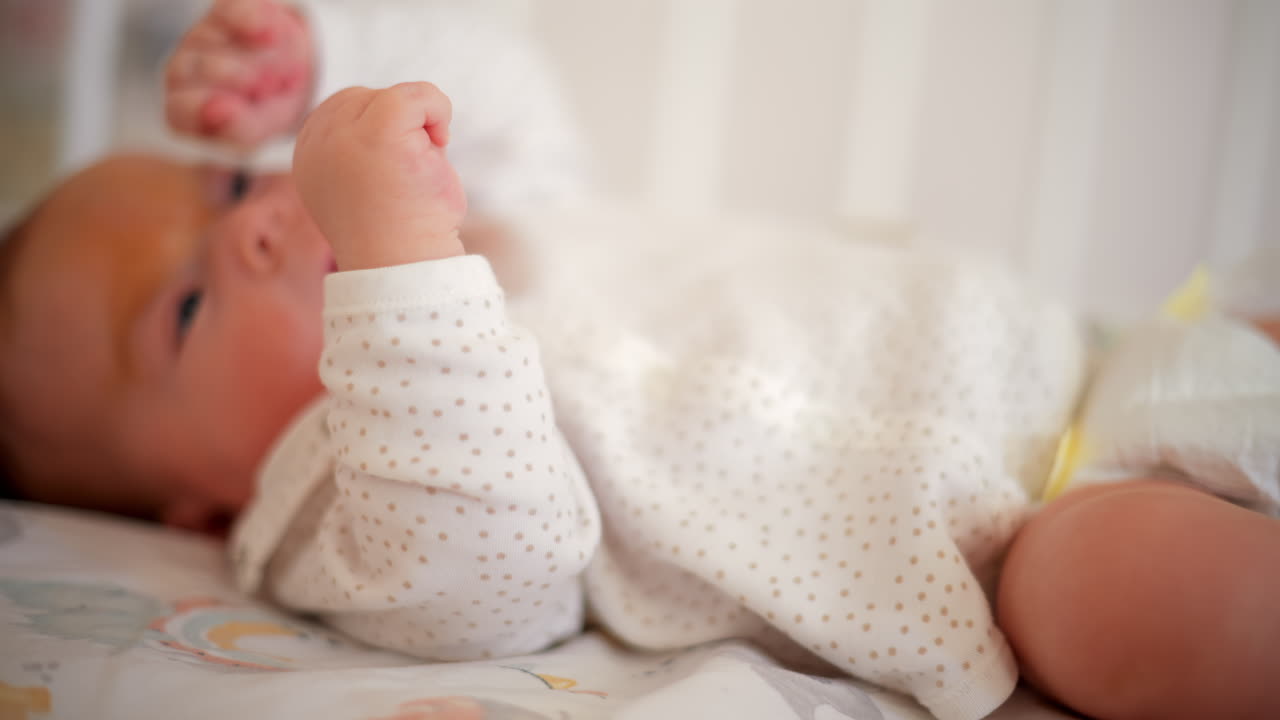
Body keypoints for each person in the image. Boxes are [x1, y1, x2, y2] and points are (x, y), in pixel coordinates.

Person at [0, 2, 1275, 719]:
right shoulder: (335, 499)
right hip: (1012, 538)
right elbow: (491, 570)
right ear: (191, 501)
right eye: (180, 310)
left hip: (1094, 358)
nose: (258, 225)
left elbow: (494, 86)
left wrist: (327, 70)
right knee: (1110, 600)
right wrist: (393, 246)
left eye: (227, 186)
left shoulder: (502, 211)